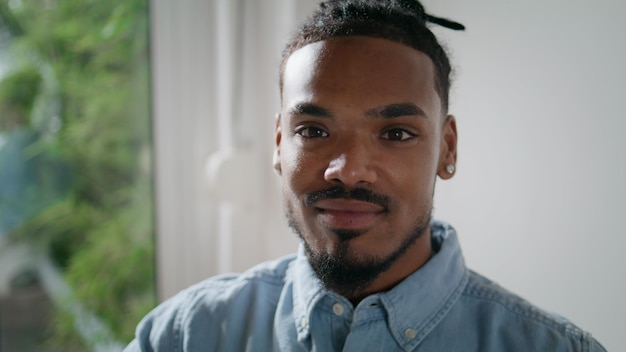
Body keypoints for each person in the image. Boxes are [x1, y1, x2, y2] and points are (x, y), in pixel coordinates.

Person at [126, 1, 606, 351]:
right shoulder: (182, 336)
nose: (348, 169)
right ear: (278, 144)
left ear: (448, 148)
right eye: (313, 130)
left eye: (395, 134)